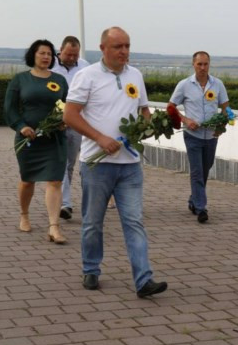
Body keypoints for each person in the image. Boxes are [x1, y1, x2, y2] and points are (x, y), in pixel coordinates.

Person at [63, 26, 167, 298]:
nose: (124, 52)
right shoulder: (87, 76)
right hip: (96, 165)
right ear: (103, 49)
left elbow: (144, 111)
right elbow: (70, 116)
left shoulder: (136, 75)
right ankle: (91, 268)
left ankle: (144, 279)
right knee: (92, 222)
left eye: (127, 46)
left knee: (134, 221)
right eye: (118, 47)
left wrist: (145, 128)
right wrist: (100, 138)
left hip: (130, 165)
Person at [4, 39, 69, 244]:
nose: (46, 57)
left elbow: (68, 106)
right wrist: (21, 126)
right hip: (28, 139)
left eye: (49, 54)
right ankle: (24, 214)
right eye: (42, 53)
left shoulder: (60, 80)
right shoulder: (20, 80)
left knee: (55, 180)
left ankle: (54, 227)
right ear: (33, 55)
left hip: (54, 138)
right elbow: (9, 108)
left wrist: (64, 122)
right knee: (27, 179)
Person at [168, 51, 229, 224]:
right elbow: (171, 107)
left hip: (211, 136)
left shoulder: (218, 84)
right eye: (199, 64)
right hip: (192, 135)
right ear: (193, 64)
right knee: (196, 171)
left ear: (209, 64)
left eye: (206, 64)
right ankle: (201, 209)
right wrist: (185, 120)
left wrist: (222, 126)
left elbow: (226, 108)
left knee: (205, 169)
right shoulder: (184, 85)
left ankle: (193, 200)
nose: (203, 68)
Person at [51, 36, 90, 221]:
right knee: (63, 163)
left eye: (75, 55)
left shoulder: (85, 66)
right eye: (68, 54)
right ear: (61, 50)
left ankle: (77, 202)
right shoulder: (51, 66)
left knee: (76, 163)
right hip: (57, 122)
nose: (72, 58)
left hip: (79, 122)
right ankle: (65, 204)